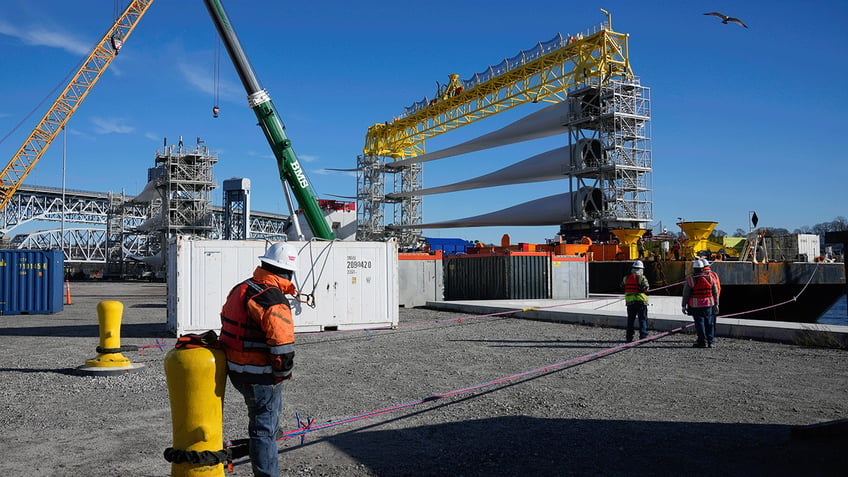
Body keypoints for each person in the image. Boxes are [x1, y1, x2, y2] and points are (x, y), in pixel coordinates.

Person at [219, 242, 299, 477]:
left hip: (235, 370)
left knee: (266, 422)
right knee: (263, 429)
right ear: (287, 271)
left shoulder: (241, 288)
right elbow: (282, 349)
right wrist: (281, 376)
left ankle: (268, 441)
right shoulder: (272, 299)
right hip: (259, 375)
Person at [681, 259, 719, 348]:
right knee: (709, 323)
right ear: (702, 268)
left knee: (700, 323)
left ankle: (702, 342)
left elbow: (686, 294)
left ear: (694, 269)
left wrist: (683, 305)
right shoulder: (710, 278)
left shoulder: (691, 280)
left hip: (696, 305)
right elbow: (715, 292)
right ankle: (711, 341)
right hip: (709, 304)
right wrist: (716, 304)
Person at [621, 260, 650, 342]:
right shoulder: (642, 278)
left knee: (630, 320)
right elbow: (646, 287)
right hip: (641, 301)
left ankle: (629, 337)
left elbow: (622, 287)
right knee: (642, 319)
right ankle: (643, 337)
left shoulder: (626, 278)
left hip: (630, 302)